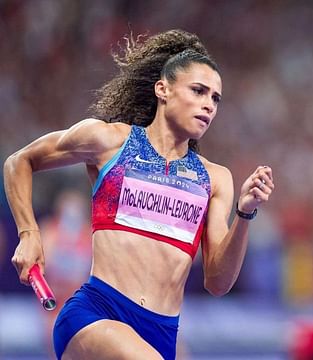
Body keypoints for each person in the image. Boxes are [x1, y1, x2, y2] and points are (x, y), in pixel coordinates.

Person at [4, 29, 275, 359]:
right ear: (163, 89)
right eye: (199, 91)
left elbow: (217, 283)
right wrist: (29, 233)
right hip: (97, 315)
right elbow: (20, 162)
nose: (208, 105)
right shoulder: (109, 142)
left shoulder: (215, 179)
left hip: (162, 332)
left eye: (215, 98)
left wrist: (245, 214)